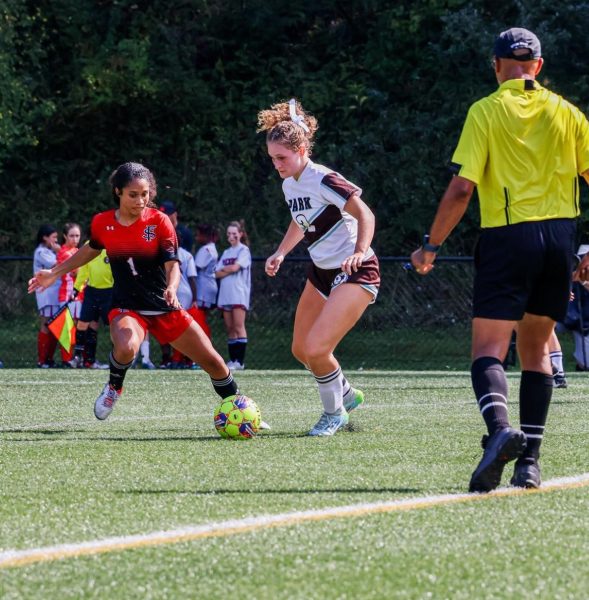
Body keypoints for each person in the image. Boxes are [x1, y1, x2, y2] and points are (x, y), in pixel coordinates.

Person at [411, 28, 589, 491]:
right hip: (560, 239)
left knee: (489, 349)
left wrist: (431, 245)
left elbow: (462, 188)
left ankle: (498, 431)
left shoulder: (486, 110)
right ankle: (529, 463)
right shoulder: (569, 113)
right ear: (540, 66)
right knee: (537, 350)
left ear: (495, 66)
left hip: (509, 237)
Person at [29, 162, 252, 423]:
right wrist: (55, 272)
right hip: (127, 305)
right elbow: (91, 248)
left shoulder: (159, 222)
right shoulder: (102, 223)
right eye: (133, 194)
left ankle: (242, 411)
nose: (140, 200)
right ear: (118, 192)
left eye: (145, 194)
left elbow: (173, 264)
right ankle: (114, 387)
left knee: (214, 363)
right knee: (126, 346)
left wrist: (171, 287)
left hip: (163, 305)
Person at [258, 98, 379, 436]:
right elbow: (302, 221)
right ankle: (346, 393)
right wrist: (281, 252)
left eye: (282, 158)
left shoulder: (324, 178)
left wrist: (360, 250)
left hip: (356, 270)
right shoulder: (289, 184)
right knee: (301, 349)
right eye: (272, 159)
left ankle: (334, 413)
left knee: (317, 349)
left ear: (301, 150)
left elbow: (365, 214)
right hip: (322, 272)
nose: (277, 165)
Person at [215, 221, 252, 371]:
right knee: (230, 328)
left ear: (240, 234)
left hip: (238, 294)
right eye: (229, 234)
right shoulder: (226, 252)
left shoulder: (244, 251)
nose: (231, 236)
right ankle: (233, 360)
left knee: (238, 326)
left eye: (234, 234)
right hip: (225, 295)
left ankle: (240, 362)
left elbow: (236, 267)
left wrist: (226, 269)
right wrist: (228, 269)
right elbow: (216, 273)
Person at [69, 246, 113, 369]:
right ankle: (82, 358)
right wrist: (76, 288)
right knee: (83, 324)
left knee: (113, 327)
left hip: (109, 293)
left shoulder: (113, 245)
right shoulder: (89, 246)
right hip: (91, 292)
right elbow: (84, 270)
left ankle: (117, 359)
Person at [33, 224, 61, 368]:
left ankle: (49, 359)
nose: (56, 241)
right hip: (46, 294)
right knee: (45, 324)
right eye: (54, 238)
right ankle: (42, 360)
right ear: (45, 238)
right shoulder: (41, 251)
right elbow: (58, 264)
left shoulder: (50, 250)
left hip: (56, 294)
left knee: (54, 325)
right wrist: (61, 251)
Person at [56, 222, 82, 364]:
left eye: (77, 236)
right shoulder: (63, 252)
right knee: (67, 328)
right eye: (71, 235)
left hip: (80, 295)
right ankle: (66, 360)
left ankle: (77, 359)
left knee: (79, 327)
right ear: (65, 236)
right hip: (67, 295)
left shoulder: (78, 251)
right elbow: (76, 272)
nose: (75, 239)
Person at [194, 223, 219, 334]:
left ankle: (204, 344)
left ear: (205, 236)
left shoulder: (206, 250)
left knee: (200, 319)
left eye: (198, 235)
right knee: (202, 318)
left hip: (203, 288)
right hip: (209, 285)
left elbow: (196, 269)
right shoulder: (212, 248)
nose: (197, 238)